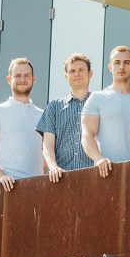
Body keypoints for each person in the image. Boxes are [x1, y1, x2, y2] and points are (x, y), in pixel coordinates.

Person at [0, 57, 44, 192]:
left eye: (27, 75)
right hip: (9, 188)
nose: (22, 79)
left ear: (33, 79)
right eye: (18, 76)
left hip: (37, 189)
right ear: (9, 79)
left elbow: (47, 154)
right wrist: (1, 176)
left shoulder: (43, 115)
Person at [82, 46, 130, 178]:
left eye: (126, 62)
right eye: (117, 62)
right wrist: (99, 159)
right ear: (110, 67)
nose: (121, 66)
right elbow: (87, 135)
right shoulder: (97, 98)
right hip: (108, 173)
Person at [36, 53, 94, 183]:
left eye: (81, 70)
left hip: (93, 176)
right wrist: (53, 167)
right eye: (72, 71)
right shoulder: (54, 107)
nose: (77, 74)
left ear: (90, 73)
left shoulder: (99, 103)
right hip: (62, 179)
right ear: (66, 76)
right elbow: (47, 144)